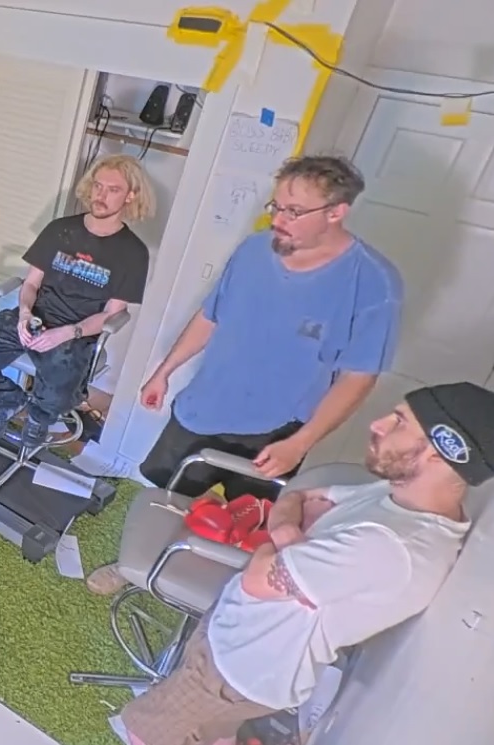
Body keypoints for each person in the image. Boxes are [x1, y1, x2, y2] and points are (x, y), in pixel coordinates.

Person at [89, 155, 404, 596]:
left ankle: (222, 591)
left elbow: (359, 376)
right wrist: (164, 371)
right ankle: (133, 566)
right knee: (167, 496)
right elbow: (210, 316)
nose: (278, 220)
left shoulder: (374, 283)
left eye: (294, 211)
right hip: (204, 406)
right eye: (276, 206)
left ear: (336, 212)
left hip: (277, 430)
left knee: (248, 520)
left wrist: (300, 443)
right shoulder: (254, 250)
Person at [120, 382, 492, 745]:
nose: (378, 424)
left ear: (442, 452)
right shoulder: (399, 496)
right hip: (243, 645)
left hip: (236, 667)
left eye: (399, 422)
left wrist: (286, 534)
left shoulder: (389, 546)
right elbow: (299, 497)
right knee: (212, 731)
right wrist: (288, 538)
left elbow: (258, 580)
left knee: (143, 731)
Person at [0, 154, 153, 447]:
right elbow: (31, 283)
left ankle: (39, 419)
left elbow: (110, 314)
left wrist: (68, 332)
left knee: (60, 391)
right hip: (36, 317)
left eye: (113, 190)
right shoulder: (60, 230)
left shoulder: (133, 253)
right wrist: (24, 313)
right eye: (98, 186)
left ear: (131, 196)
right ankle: (8, 402)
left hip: (77, 333)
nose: (101, 195)